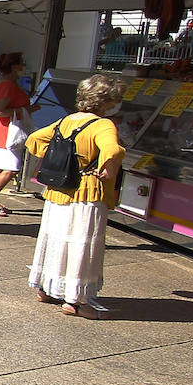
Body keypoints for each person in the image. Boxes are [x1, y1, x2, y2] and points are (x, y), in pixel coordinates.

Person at [25, 74, 126, 320]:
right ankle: (76, 301)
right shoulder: (103, 125)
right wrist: (108, 163)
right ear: (107, 101)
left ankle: (47, 288)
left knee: (56, 240)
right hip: (86, 193)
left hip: (58, 191)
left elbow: (34, 139)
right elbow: (112, 149)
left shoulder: (67, 120)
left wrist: (62, 160)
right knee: (82, 245)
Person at [0, 53, 40, 218]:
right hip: (9, 133)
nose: (24, 67)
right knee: (12, 169)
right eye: (21, 64)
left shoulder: (2, 84)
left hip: (1, 131)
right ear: (14, 67)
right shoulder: (9, 86)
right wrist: (26, 110)